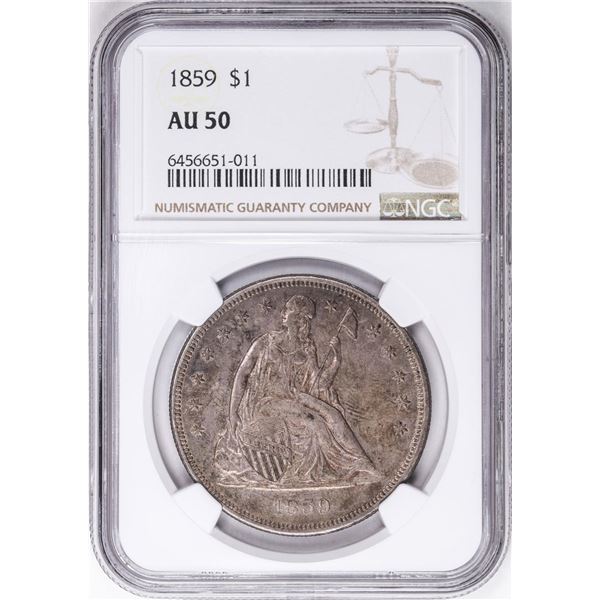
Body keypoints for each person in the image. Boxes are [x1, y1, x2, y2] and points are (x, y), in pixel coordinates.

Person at [214, 295, 379, 486]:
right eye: (286, 310)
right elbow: (242, 374)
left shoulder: (307, 348)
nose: (283, 313)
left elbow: (319, 385)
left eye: (289, 310)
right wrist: (232, 412)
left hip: (294, 400)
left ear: (300, 318)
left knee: (334, 415)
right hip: (265, 404)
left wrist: (336, 361)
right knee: (315, 422)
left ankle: (362, 465)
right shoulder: (265, 342)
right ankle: (342, 469)